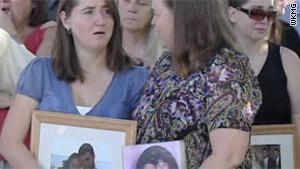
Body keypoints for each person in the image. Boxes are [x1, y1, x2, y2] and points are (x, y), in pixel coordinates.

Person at [0, 0, 149, 168]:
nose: (100, 20)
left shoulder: (138, 79)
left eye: (107, 11)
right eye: (89, 12)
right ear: (65, 19)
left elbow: (149, 149)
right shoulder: (40, 71)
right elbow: (10, 142)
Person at [134, 0, 262, 168]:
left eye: (157, 14)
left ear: (180, 17)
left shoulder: (226, 67)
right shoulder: (165, 64)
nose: (153, 22)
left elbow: (228, 157)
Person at [228, 0, 300, 125]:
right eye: (256, 12)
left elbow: (298, 120)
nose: (265, 20)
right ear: (233, 14)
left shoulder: (288, 59)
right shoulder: (211, 61)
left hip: (281, 142)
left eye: (271, 14)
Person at [118, 0, 163, 69]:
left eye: (142, 3)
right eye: (126, 1)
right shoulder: (103, 47)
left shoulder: (164, 55)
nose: (131, 9)